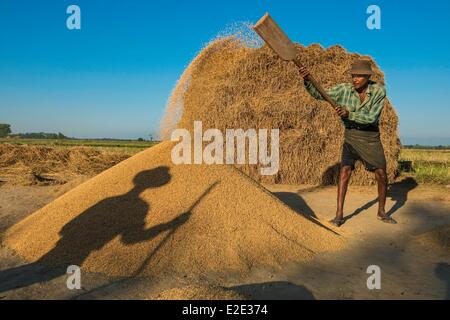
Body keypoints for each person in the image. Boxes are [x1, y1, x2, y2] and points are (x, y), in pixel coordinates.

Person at [299, 59, 397, 227]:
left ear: (368, 77)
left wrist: (348, 114)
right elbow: (319, 94)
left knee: (381, 173)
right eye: (353, 75)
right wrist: (307, 80)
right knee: (344, 171)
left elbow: (371, 118)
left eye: (359, 76)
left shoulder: (379, 91)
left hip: (370, 138)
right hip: (351, 136)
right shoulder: (344, 89)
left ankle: (381, 211)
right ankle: (339, 214)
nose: (355, 79)